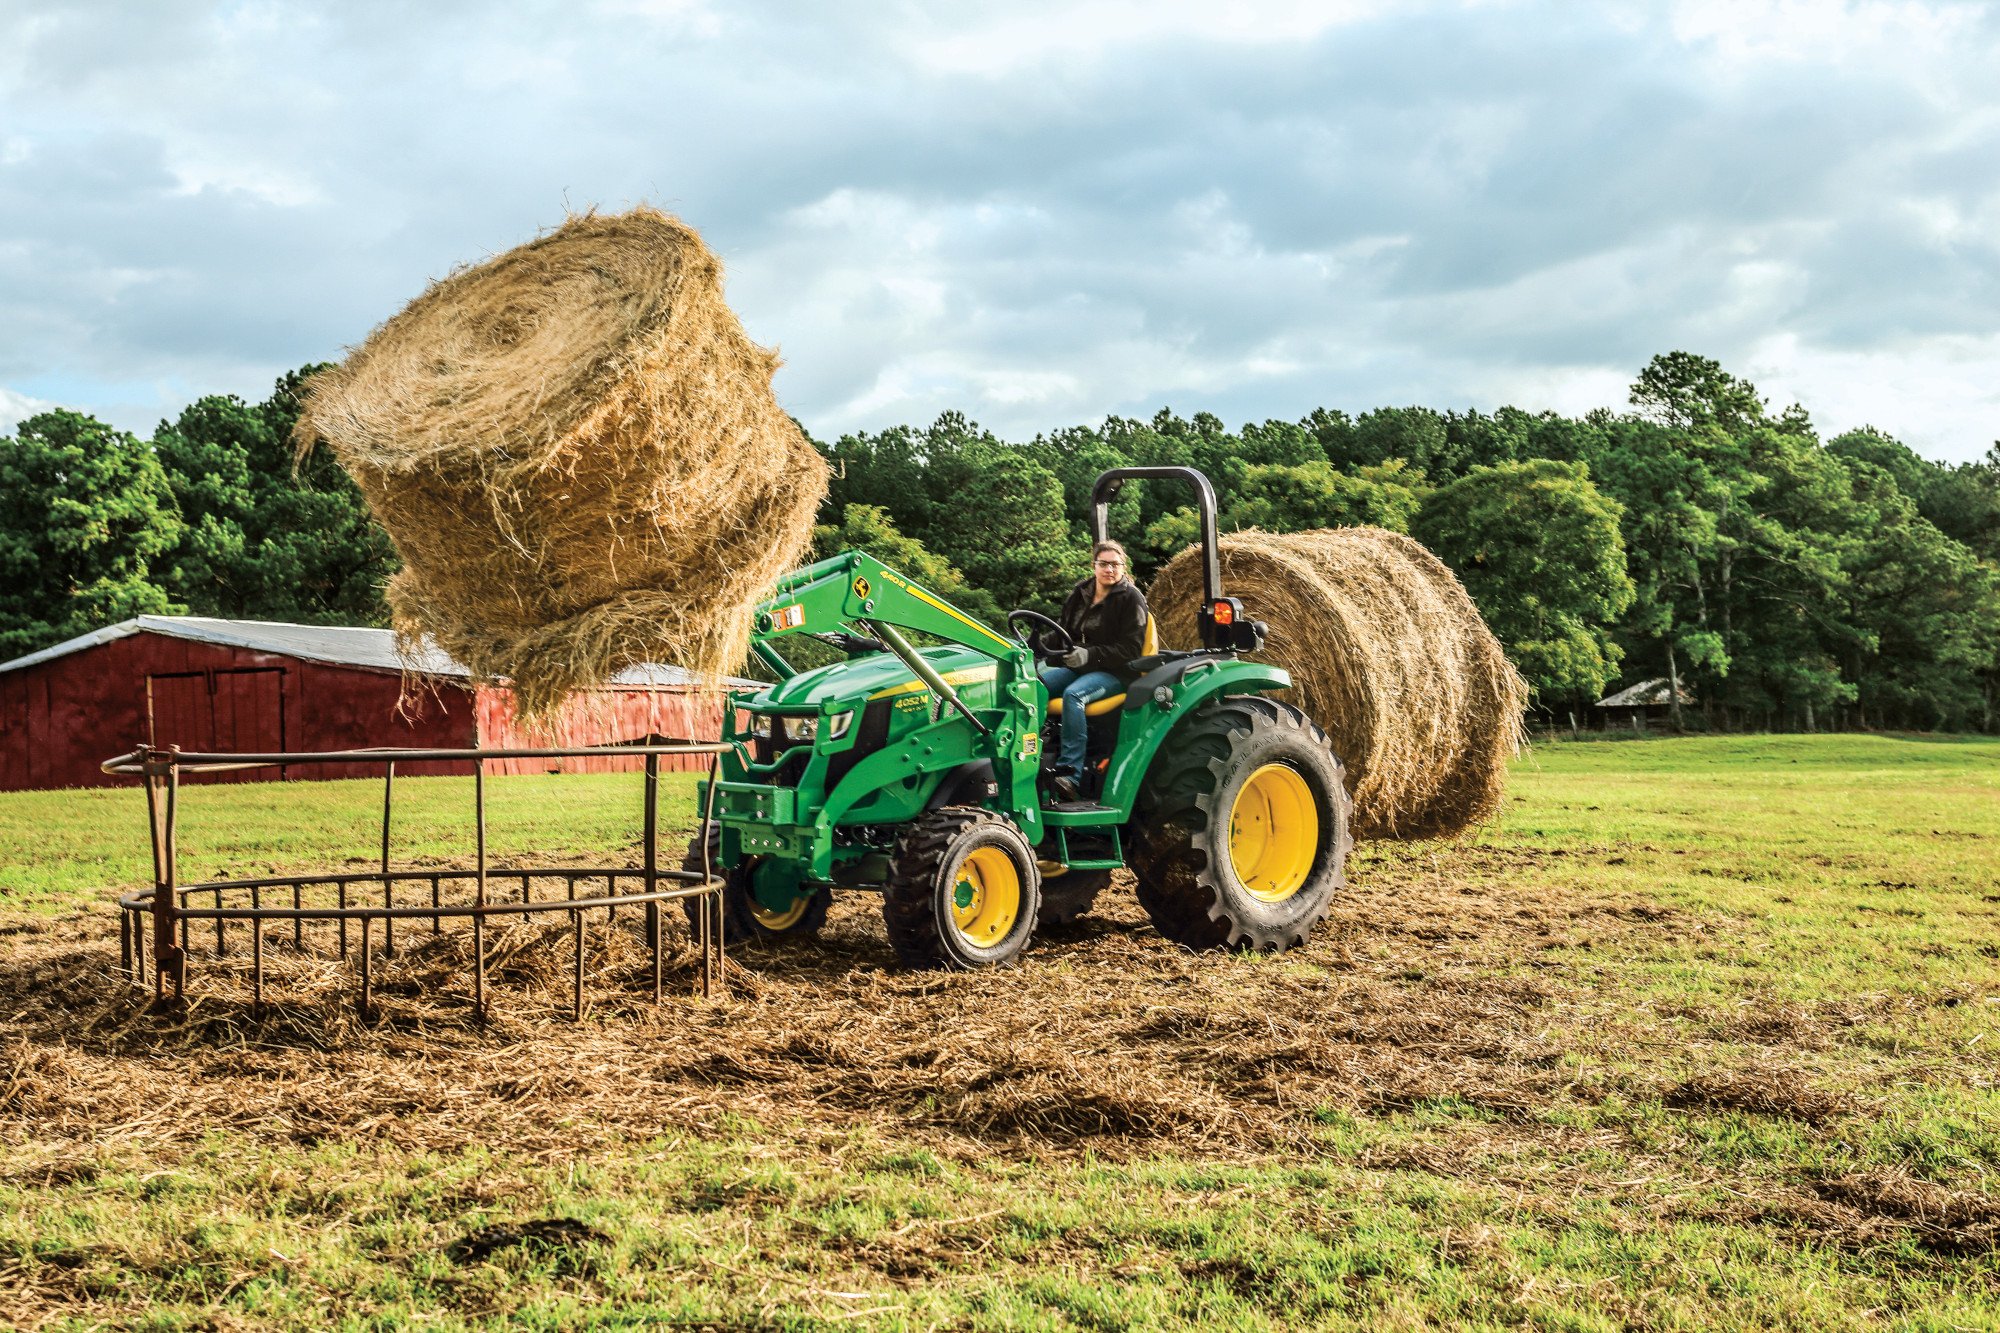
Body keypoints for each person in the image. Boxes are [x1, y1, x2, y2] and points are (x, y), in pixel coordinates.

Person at [1038, 540, 1148, 800]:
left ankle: (1070, 775)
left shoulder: (1131, 598)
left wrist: (1091, 655)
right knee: (1033, 686)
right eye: (1104, 564)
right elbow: (1063, 632)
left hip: (1117, 672)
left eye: (1115, 564)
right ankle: (1029, 756)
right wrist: (1032, 647)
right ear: (1094, 565)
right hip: (1078, 666)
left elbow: (1131, 649)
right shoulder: (1081, 592)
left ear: (1123, 567)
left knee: (1074, 696)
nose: (1109, 569)